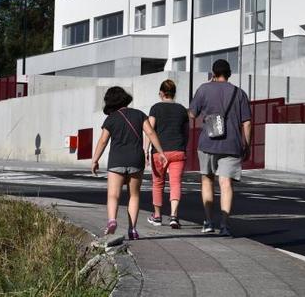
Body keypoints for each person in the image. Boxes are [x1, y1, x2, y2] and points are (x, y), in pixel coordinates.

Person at [91, 86, 168, 240]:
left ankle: (112, 220)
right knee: (134, 195)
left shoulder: (111, 118)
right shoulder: (139, 115)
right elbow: (151, 132)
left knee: (113, 195)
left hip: (117, 160)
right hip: (136, 159)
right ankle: (132, 229)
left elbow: (103, 140)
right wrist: (160, 152)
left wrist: (95, 159)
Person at [189, 59, 252, 237]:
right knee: (226, 184)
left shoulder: (203, 89)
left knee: (207, 181)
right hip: (232, 144)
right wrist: (246, 145)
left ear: (213, 73)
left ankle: (208, 222)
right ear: (229, 73)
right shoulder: (239, 93)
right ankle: (224, 225)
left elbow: (192, 114)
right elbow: (247, 123)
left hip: (207, 143)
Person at [146, 79, 190, 229]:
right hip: (178, 150)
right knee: (175, 183)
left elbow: (150, 130)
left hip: (159, 152)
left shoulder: (155, 108)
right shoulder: (182, 109)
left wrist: (146, 149)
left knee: (158, 183)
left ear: (161, 93)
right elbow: (186, 132)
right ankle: (174, 216)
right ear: (174, 93)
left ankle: (157, 216)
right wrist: (183, 146)